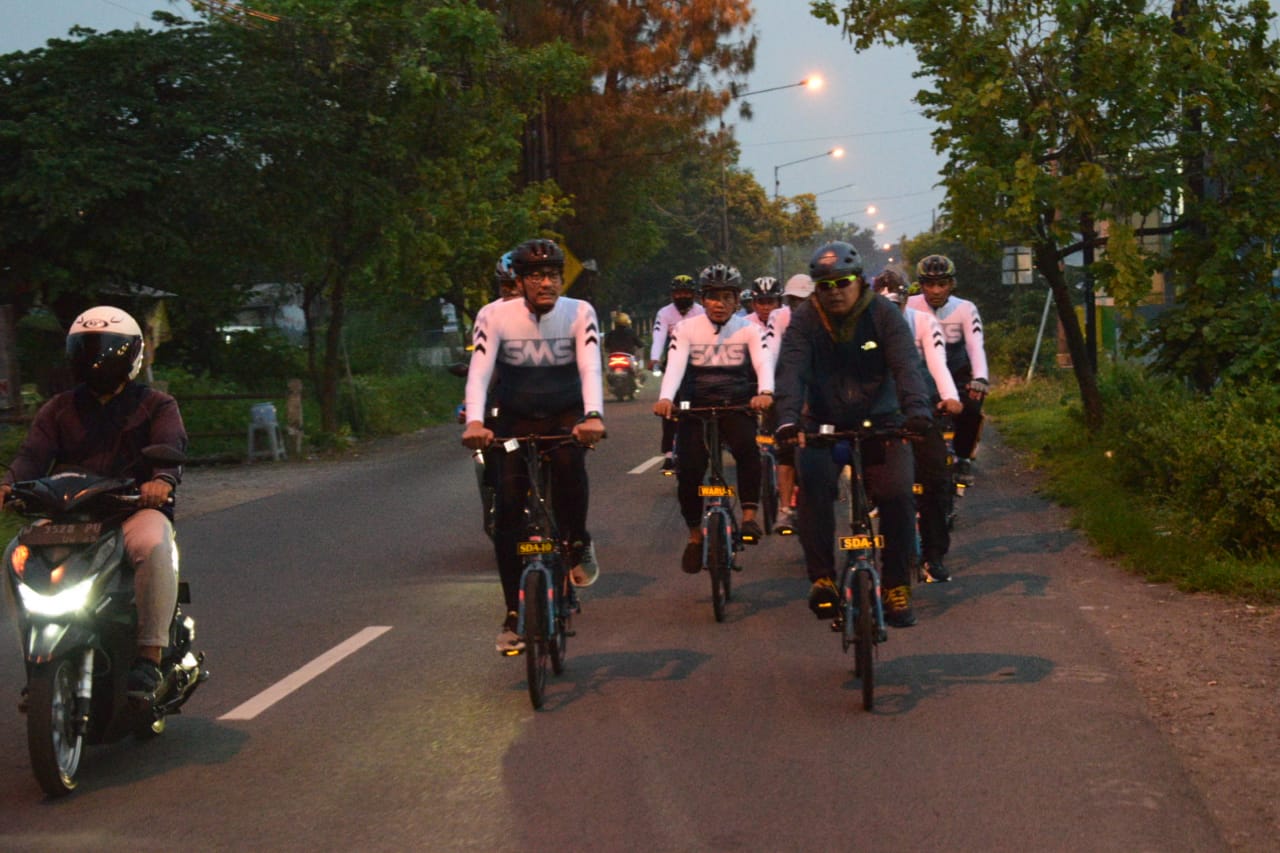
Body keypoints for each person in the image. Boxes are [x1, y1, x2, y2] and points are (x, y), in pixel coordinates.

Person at [1, 306, 187, 701]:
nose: (96, 357)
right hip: (70, 513)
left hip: (130, 511)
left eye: (107, 349)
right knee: (15, 554)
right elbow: (32, 456)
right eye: (87, 348)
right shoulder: (58, 408)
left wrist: (161, 481)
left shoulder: (157, 405)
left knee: (154, 544)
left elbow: (170, 451)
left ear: (130, 354)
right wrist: (8, 485)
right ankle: (37, 662)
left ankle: (149, 659)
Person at [773, 243, 933, 628]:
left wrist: (917, 413)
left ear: (860, 281)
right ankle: (823, 579)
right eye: (824, 285)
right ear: (815, 289)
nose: (834, 291)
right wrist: (787, 421)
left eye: (843, 282)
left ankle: (896, 585)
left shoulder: (884, 315)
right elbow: (791, 371)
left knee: (896, 494)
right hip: (822, 421)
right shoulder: (805, 320)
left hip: (882, 419)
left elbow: (907, 367)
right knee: (812, 488)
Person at [461, 238, 607, 654]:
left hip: (564, 415)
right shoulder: (494, 316)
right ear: (520, 282)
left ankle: (577, 541)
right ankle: (512, 614)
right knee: (506, 505)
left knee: (568, 468)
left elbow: (589, 365)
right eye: (537, 276)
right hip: (512, 418)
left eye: (554, 275)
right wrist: (475, 421)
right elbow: (479, 371)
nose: (547, 283)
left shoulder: (580, 312)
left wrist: (593, 415)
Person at [653, 264, 774, 573]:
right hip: (695, 408)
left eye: (726, 297)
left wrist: (765, 392)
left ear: (737, 301)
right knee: (689, 469)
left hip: (736, 405)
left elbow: (762, 363)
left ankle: (748, 517)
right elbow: (675, 366)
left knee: (749, 449)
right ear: (702, 301)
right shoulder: (686, 329)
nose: (719, 304)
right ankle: (695, 537)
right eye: (712, 297)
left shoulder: (750, 329)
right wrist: (666, 398)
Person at [872, 268, 963, 583]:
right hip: (881, 413)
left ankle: (934, 555)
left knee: (937, 480)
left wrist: (950, 397)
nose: (890, 313)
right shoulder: (863, 328)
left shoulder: (924, 323)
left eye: (896, 305)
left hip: (921, 408)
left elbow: (939, 364)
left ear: (906, 302)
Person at [906, 254, 989, 487]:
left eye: (942, 284)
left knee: (971, 408)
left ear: (951, 284)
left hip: (957, 370)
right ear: (920, 285)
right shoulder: (909, 305)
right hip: (921, 371)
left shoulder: (965, 308)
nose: (935, 290)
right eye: (929, 284)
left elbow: (975, 346)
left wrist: (981, 378)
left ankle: (963, 457)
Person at [748, 276, 798, 534]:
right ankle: (784, 506)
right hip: (762, 386)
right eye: (761, 302)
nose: (766, 307)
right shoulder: (746, 325)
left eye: (771, 302)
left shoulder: (788, 320)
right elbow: (766, 357)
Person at [648, 274, 706, 474]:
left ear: (694, 294)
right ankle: (668, 453)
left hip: (697, 365)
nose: (682, 296)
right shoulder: (664, 313)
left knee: (695, 405)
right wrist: (655, 358)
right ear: (673, 295)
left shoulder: (701, 312)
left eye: (686, 293)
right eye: (678, 293)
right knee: (669, 406)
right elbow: (658, 335)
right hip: (673, 363)